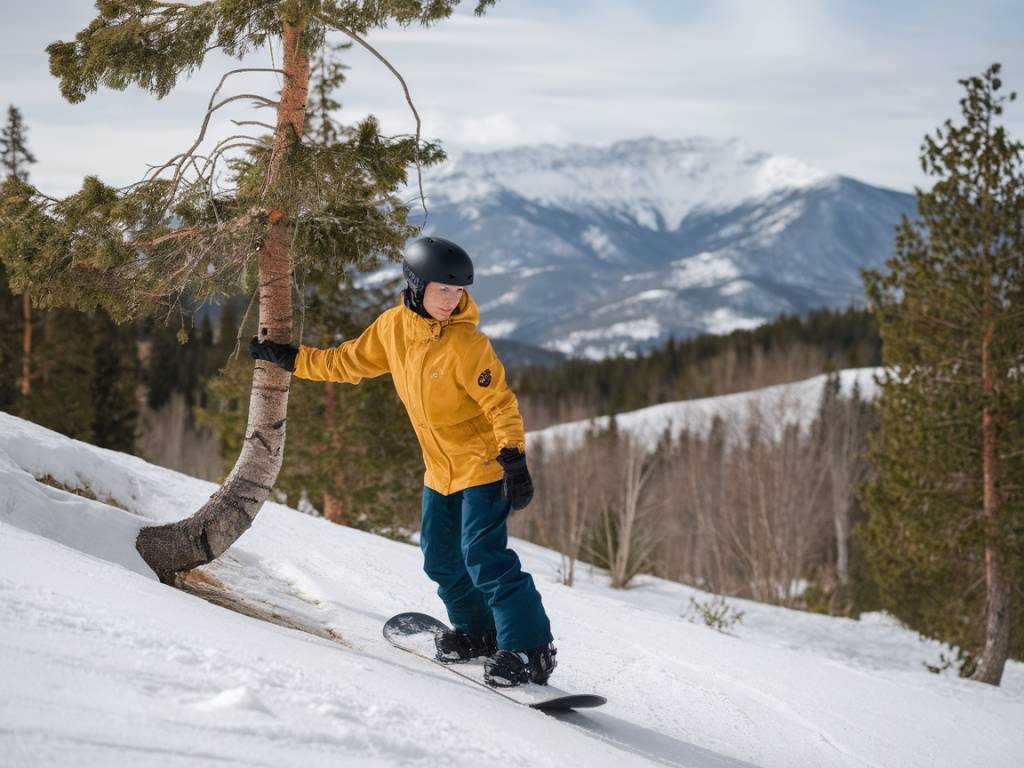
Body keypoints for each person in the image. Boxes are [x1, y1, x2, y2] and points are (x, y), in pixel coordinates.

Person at [250, 236, 556, 687]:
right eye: (442, 290)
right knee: (441, 559)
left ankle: (531, 648)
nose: (451, 301)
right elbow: (346, 362)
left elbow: (501, 405)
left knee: (483, 557)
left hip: (482, 465)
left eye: (458, 292)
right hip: (439, 470)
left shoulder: (468, 346)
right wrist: (292, 359)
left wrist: (513, 458)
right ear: (415, 285)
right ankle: (478, 632)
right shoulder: (394, 329)